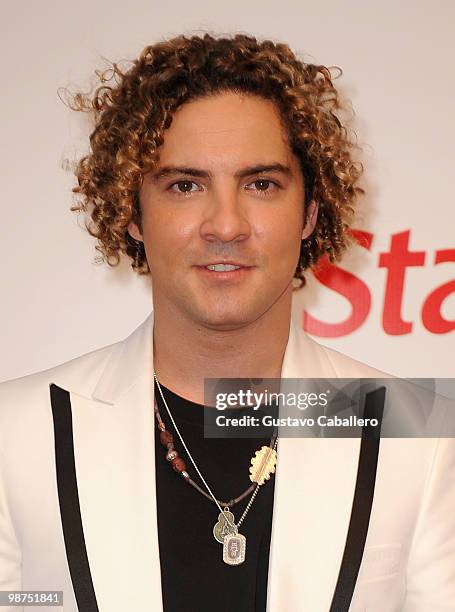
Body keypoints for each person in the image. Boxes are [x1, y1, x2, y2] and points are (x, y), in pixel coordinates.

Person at [0, 33, 453, 612]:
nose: (225, 224)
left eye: (261, 185)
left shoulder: (418, 437)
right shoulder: (20, 432)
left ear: (310, 211)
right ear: (132, 213)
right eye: (185, 185)